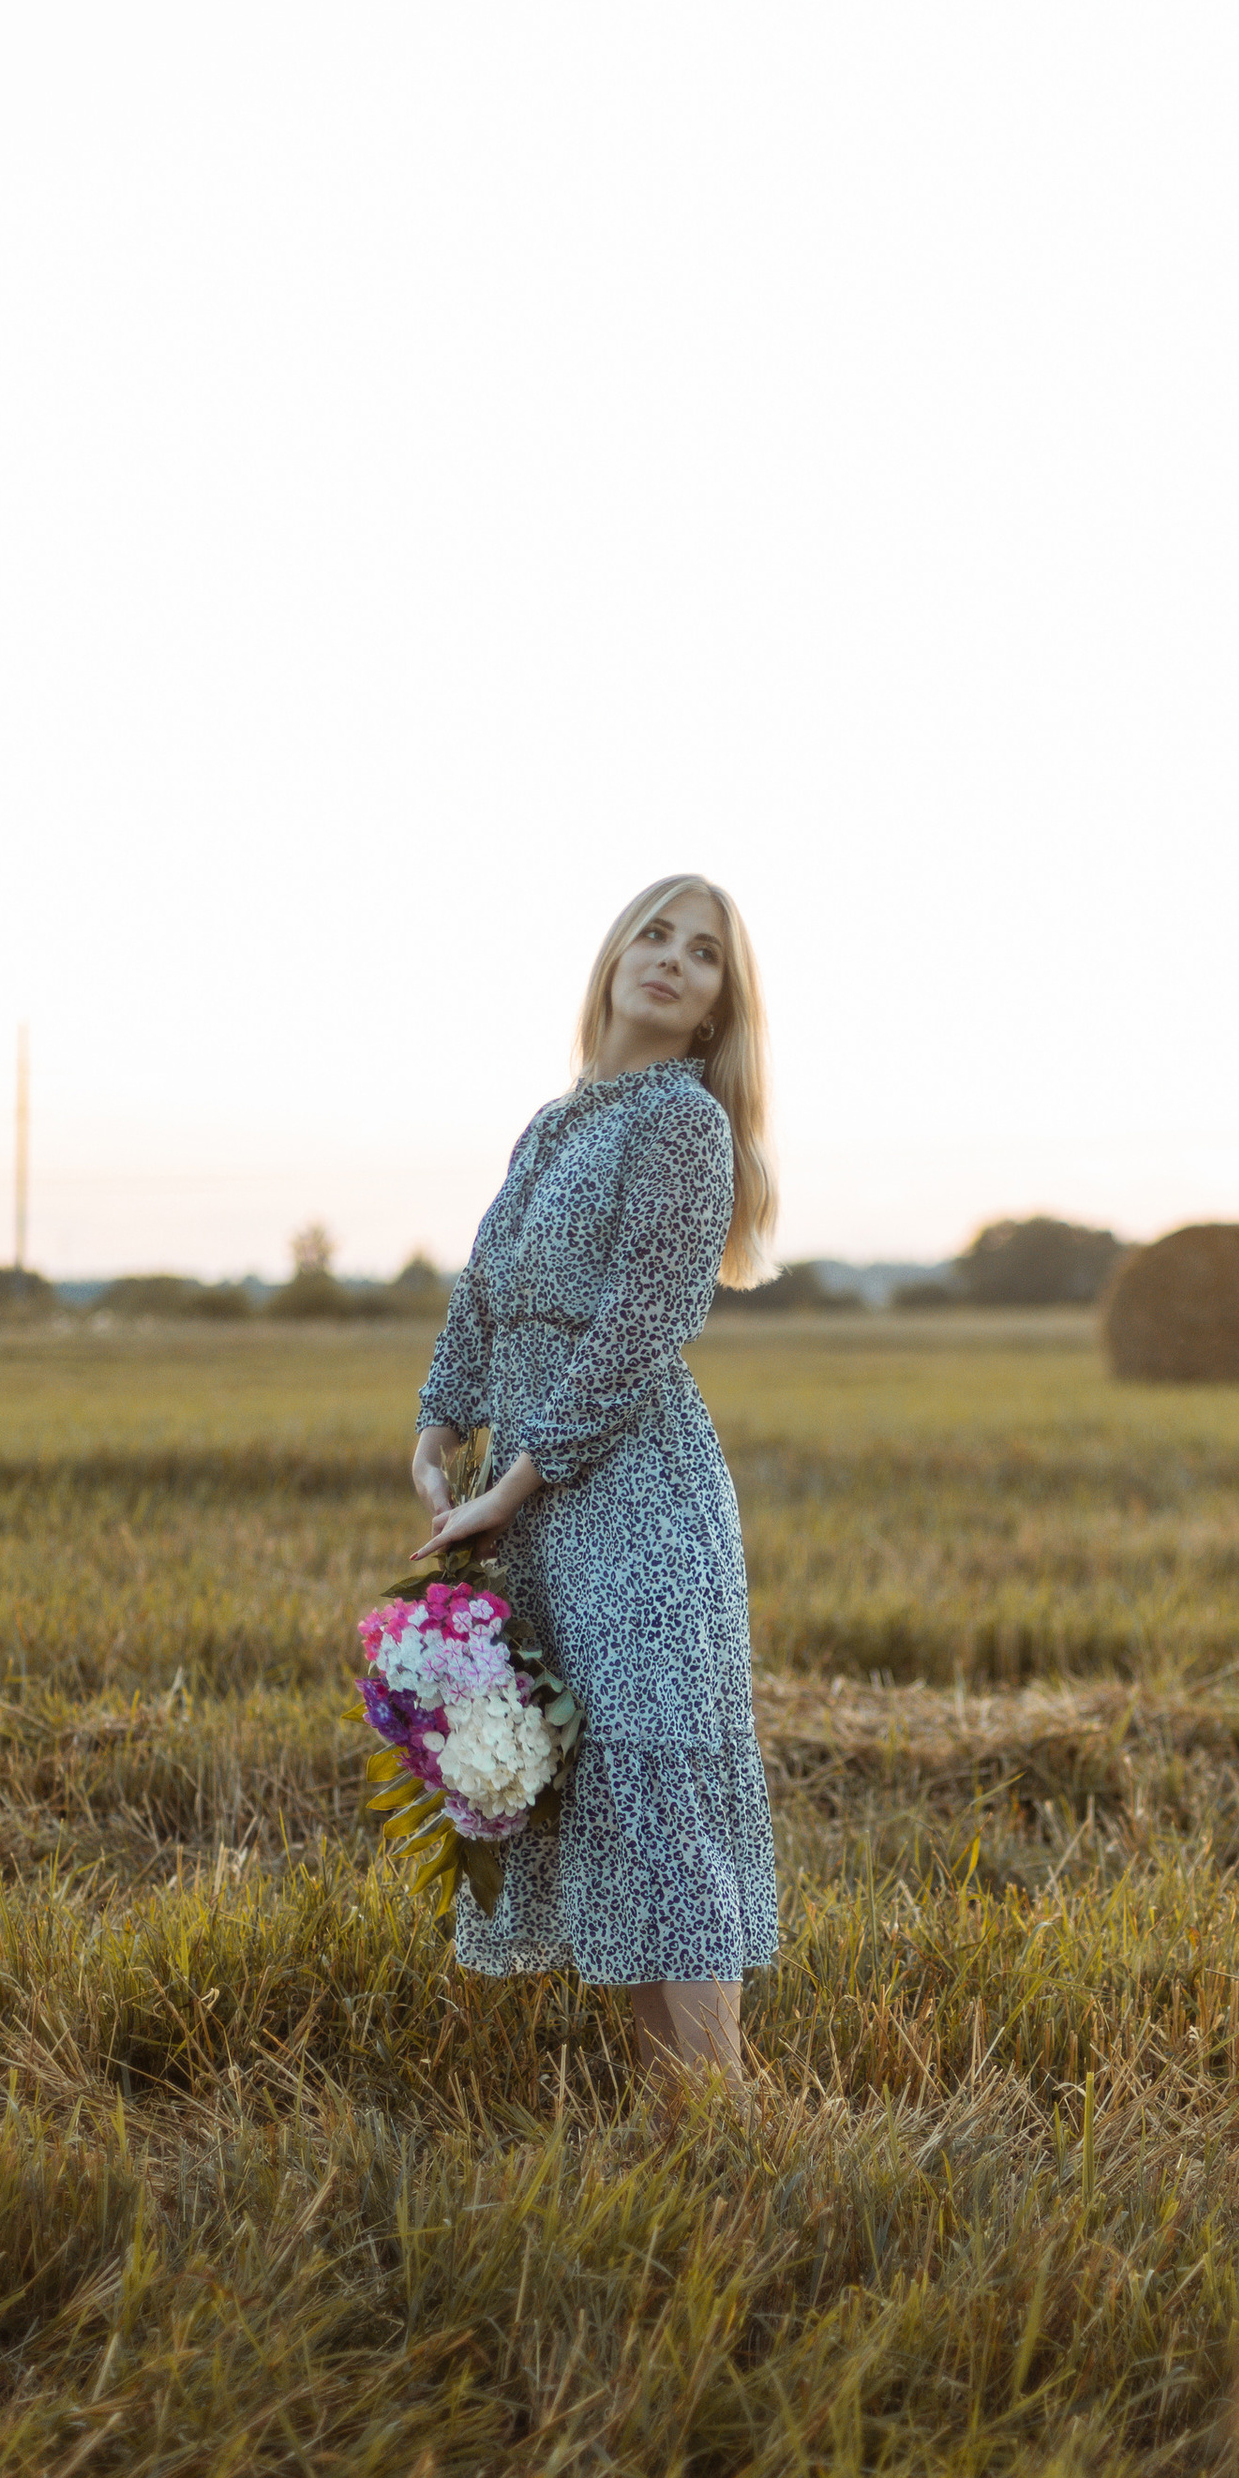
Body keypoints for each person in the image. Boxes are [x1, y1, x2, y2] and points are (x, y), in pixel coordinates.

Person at [411, 876, 779, 2080]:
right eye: (655, 935)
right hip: (535, 1501)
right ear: (615, 956)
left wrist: (509, 1486)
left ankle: (717, 2115)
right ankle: (673, 2117)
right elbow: (483, 1294)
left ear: (719, 1009)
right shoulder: (553, 1125)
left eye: (705, 954)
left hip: (635, 1502)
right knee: (600, 1801)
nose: (672, 960)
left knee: (657, 1796)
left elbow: (641, 1327)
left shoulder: (681, 1124)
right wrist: (435, 1424)